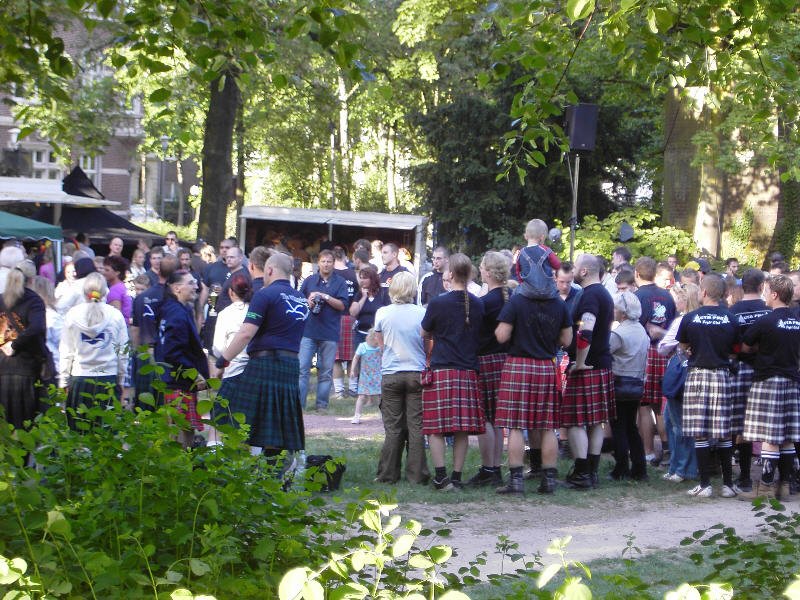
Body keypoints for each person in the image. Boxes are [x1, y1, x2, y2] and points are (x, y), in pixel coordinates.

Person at [214, 252, 309, 456]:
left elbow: (245, 333)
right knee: (276, 422)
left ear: (269, 270)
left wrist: (223, 360)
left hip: (265, 362)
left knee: (236, 411)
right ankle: (273, 474)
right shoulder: (301, 298)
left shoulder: (264, 295)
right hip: (291, 363)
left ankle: (241, 467)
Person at [493, 253, 572, 495]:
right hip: (546, 366)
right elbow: (567, 339)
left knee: (516, 425)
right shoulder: (558, 303)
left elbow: (501, 336)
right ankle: (548, 480)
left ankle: (516, 481)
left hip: (519, 365)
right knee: (547, 426)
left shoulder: (517, 301)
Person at [420, 253, 485, 490]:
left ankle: (440, 477)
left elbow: (424, 333)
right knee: (462, 430)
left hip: (442, 370)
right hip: (467, 371)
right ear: (469, 274)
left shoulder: (438, 302)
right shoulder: (479, 304)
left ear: (449, 274)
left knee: (436, 428)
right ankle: (456, 478)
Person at [677, 273, 738, 498]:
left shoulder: (690, 318)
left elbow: (683, 345)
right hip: (722, 375)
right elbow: (735, 349)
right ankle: (729, 485)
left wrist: (693, 348)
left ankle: (705, 484)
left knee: (700, 432)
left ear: (703, 292)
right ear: (722, 294)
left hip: (698, 375)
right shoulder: (731, 318)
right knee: (723, 433)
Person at [739, 274, 800, 500]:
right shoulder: (796, 320)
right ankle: (783, 486)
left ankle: (764, 488)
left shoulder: (765, 321)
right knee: (786, 437)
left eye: (766, 291)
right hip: (792, 381)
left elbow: (745, 347)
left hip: (768, 381)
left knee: (769, 436)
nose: (764, 294)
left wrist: (759, 350)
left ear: (774, 294)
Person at [561, 254, 615, 489]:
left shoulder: (591, 295)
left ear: (583, 271)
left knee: (574, 421)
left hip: (587, 366)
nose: (572, 270)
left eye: (574, 267)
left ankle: (582, 473)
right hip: (601, 364)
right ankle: (591, 472)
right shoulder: (603, 293)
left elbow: (585, 332)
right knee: (595, 422)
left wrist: (580, 362)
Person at [374, 271, 429, 484]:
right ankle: (417, 475)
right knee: (416, 427)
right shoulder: (421, 313)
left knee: (393, 427)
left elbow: (381, 344)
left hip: (391, 374)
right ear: (413, 289)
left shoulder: (382, 313)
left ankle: (387, 474)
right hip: (416, 372)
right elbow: (427, 343)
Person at [59, 273, 128, 429]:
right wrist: (122, 380)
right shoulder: (115, 315)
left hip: (80, 378)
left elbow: (66, 351)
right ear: (105, 291)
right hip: (108, 379)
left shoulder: (72, 314)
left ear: (84, 291)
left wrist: (63, 380)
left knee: (79, 433)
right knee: (107, 434)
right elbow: (123, 352)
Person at [467, 251, 510, 488]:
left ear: (489, 272)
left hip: (485, 360)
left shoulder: (485, 302)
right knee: (497, 418)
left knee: (484, 418)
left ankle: (488, 469)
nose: (480, 270)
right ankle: (495, 468)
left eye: (482, 267)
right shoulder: (508, 296)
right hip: (504, 360)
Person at [154, 269, 210, 447]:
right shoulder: (176, 313)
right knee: (182, 428)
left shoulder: (172, 309)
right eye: (191, 283)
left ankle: (179, 468)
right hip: (178, 380)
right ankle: (179, 469)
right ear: (177, 288)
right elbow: (173, 351)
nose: (196, 287)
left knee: (182, 428)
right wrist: (194, 374)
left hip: (173, 379)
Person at [728, 269, 770, 493]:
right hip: (765, 370)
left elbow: (731, 343)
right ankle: (772, 477)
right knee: (769, 424)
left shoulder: (733, 311)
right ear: (762, 286)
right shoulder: (769, 311)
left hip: (741, 369)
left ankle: (743, 477)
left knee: (740, 424)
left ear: (742, 285)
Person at [635, 256, 676, 466]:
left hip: (645, 354)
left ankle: (648, 452)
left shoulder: (636, 296)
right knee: (661, 404)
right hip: (666, 354)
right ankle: (668, 449)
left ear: (636, 274)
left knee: (644, 405)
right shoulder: (668, 297)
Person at [657, 282, 701, 482]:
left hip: (681, 373)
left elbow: (663, 347)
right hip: (694, 372)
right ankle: (680, 466)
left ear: (685, 299)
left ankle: (682, 469)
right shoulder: (700, 318)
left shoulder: (683, 321)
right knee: (673, 420)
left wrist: (667, 340)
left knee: (678, 423)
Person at [298, 249, 349, 411]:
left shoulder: (340, 282)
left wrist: (325, 296)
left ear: (334, 263)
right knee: (302, 369)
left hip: (329, 332)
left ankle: (322, 405)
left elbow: (342, 305)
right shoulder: (309, 281)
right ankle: (299, 405)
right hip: (308, 331)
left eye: (329, 261)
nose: (326, 264)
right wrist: (309, 301)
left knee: (326, 372)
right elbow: (299, 302)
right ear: (318, 263)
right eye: (323, 261)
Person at [0, 260, 48, 429]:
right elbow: (37, 327)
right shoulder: (34, 300)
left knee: (5, 428)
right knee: (25, 427)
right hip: (26, 369)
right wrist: (15, 345)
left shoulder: (1, 299)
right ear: (31, 279)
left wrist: (5, 344)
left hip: (2, 368)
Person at [608, 291, 650, 480]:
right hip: (637, 382)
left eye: (616, 308)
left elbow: (605, 350)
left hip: (619, 382)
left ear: (623, 313)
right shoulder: (642, 330)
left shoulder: (619, 333)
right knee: (631, 427)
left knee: (619, 426)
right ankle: (640, 468)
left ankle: (621, 468)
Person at [210, 272, 253, 445]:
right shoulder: (255, 311)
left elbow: (218, 347)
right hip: (254, 372)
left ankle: (213, 454)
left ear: (230, 292)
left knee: (218, 419)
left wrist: (220, 364)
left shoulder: (225, 314)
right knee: (250, 420)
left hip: (232, 371)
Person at [333, 246, 359, 400]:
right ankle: (353, 390)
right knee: (351, 357)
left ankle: (338, 393)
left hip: (334, 318)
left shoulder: (331, 275)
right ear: (344, 257)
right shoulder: (353, 274)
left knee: (336, 358)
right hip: (351, 317)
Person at [513, 219, 560, 300]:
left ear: (526, 236)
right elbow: (558, 265)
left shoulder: (521, 253)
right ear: (542, 237)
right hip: (547, 291)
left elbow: (518, 272)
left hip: (527, 292)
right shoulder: (546, 250)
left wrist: (522, 283)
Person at [350, 328, 382, 424]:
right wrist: (352, 370)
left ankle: (384, 415)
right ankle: (357, 416)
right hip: (365, 377)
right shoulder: (363, 346)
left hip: (378, 376)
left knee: (382, 396)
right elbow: (355, 358)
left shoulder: (380, 347)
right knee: (362, 396)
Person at [104, 255, 132, 323]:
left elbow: (115, 317)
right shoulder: (122, 286)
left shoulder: (115, 290)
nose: (104, 272)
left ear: (117, 272)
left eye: (107, 270)